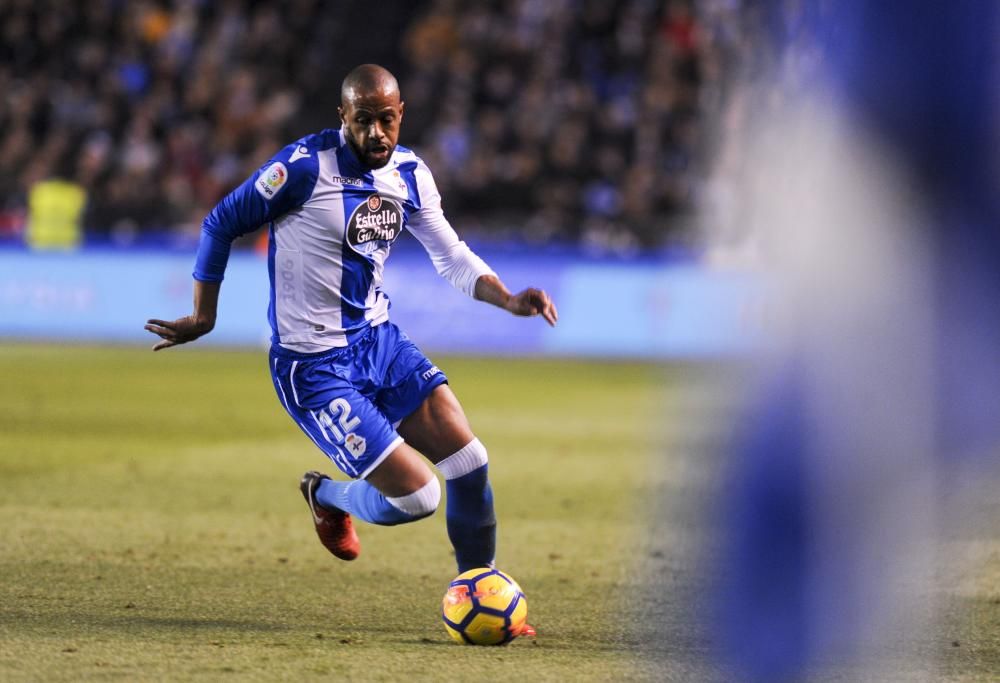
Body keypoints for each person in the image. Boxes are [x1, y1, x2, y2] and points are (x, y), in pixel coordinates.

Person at [145, 64, 557, 577]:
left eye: (386, 119)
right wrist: (205, 315)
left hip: (378, 343)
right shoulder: (301, 169)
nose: (376, 133)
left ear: (401, 114)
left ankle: (479, 589)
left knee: (470, 462)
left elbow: (451, 256)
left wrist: (510, 298)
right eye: (363, 120)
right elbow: (221, 221)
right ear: (342, 116)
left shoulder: (410, 174)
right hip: (314, 366)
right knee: (419, 498)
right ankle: (327, 496)